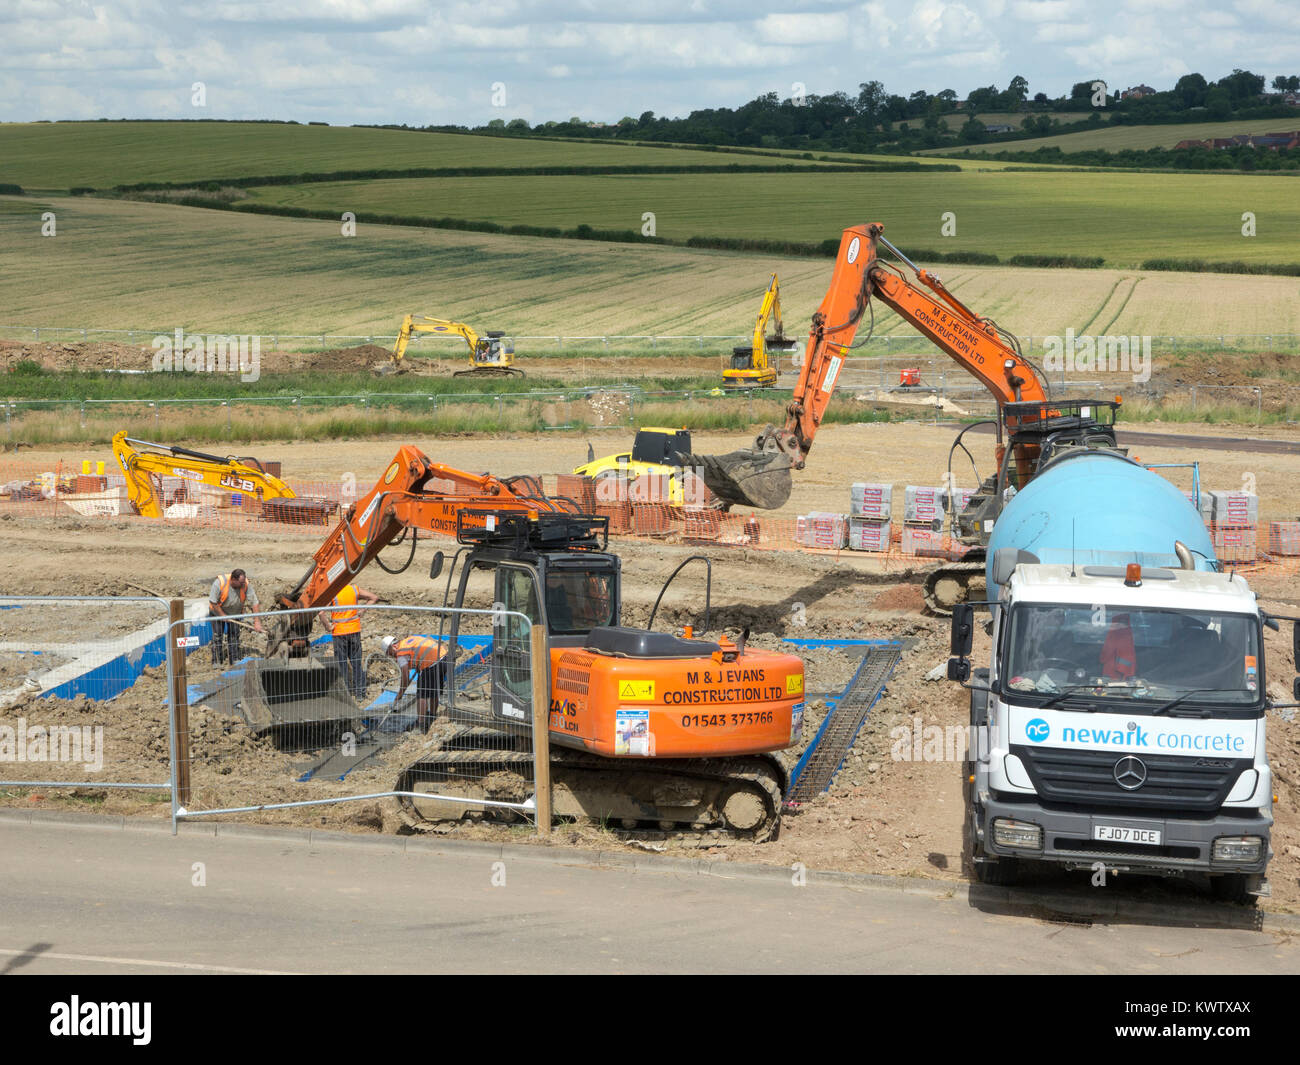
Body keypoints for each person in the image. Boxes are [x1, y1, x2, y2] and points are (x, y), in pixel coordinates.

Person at [319, 583, 378, 699]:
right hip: (354, 631)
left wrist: (328, 627)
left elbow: (321, 612)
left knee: (342, 665)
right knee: (356, 663)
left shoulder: (332, 591)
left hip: (339, 633)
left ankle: (345, 695)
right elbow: (374, 598)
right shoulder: (354, 589)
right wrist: (362, 610)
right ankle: (360, 694)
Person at [384, 634, 448, 731]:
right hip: (443, 657)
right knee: (434, 691)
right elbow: (419, 652)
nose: (392, 656)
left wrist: (399, 695)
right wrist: (418, 665)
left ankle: (420, 724)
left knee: (422, 695)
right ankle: (432, 716)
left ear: (393, 647)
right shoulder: (407, 641)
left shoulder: (400, 654)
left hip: (431, 663)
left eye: (389, 653)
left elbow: (405, 677)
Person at [209, 569, 262, 665]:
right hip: (217, 613)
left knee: (234, 636)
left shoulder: (245, 584)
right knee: (218, 636)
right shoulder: (220, 583)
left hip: (235, 613)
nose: (243, 584)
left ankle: (234, 660)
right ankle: (217, 661)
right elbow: (213, 601)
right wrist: (222, 615)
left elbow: (254, 602)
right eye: (240, 582)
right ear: (233, 579)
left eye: (243, 582)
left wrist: (257, 621)